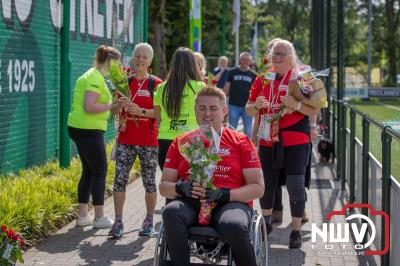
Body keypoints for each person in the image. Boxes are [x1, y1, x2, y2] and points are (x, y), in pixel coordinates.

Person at [159, 86, 264, 266]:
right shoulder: (181, 142)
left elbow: (258, 187)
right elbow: (163, 186)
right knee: (170, 212)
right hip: (191, 201)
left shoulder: (241, 142)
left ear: (224, 111)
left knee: (233, 224)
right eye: (202, 108)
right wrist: (180, 187)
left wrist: (225, 194)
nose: (207, 113)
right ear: (195, 110)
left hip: (230, 202)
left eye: (213, 108)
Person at [246, 39, 319, 248]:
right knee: (266, 184)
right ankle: (267, 223)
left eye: (282, 54)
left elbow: (314, 109)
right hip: (268, 138)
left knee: (296, 185)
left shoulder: (303, 78)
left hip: (295, 139)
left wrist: (296, 105)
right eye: (274, 54)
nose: (277, 57)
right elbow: (249, 109)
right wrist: (256, 105)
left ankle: (295, 231)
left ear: (291, 57)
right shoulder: (263, 78)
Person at [108, 43, 163, 238]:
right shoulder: (124, 82)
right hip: (126, 139)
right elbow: (113, 111)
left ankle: (148, 220)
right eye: (137, 56)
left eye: (144, 57)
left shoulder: (156, 84)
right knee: (119, 180)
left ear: (150, 61)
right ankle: (118, 221)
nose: (140, 59)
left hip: (149, 141)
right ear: (132, 58)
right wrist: (118, 104)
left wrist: (141, 112)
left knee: (149, 183)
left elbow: (161, 115)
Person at [68, 45, 121, 228]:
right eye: (116, 64)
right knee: (100, 170)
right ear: (110, 61)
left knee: (89, 171)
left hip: (80, 128)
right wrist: (111, 106)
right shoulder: (94, 77)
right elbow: (89, 106)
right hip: (88, 129)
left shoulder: (93, 75)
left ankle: (83, 216)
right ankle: (99, 217)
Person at [153, 47, 205, 170]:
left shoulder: (161, 88)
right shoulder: (200, 87)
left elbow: (158, 118)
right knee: (192, 184)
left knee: (168, 184)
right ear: (192, 64)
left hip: (165, 139)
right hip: (192, 139)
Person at [223, 52, 257, 137]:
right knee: (232, 129)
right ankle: (232, 147)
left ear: (250, 62)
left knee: (248, 131)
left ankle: (247, 149)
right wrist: (221, 100)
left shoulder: (253, 74)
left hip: (248, 106)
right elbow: (227, 87)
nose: (245, 61)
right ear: (239, 60)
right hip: (233, 105)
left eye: (247, 60)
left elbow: (256, 90)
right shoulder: (232, 72)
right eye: (243, 59)